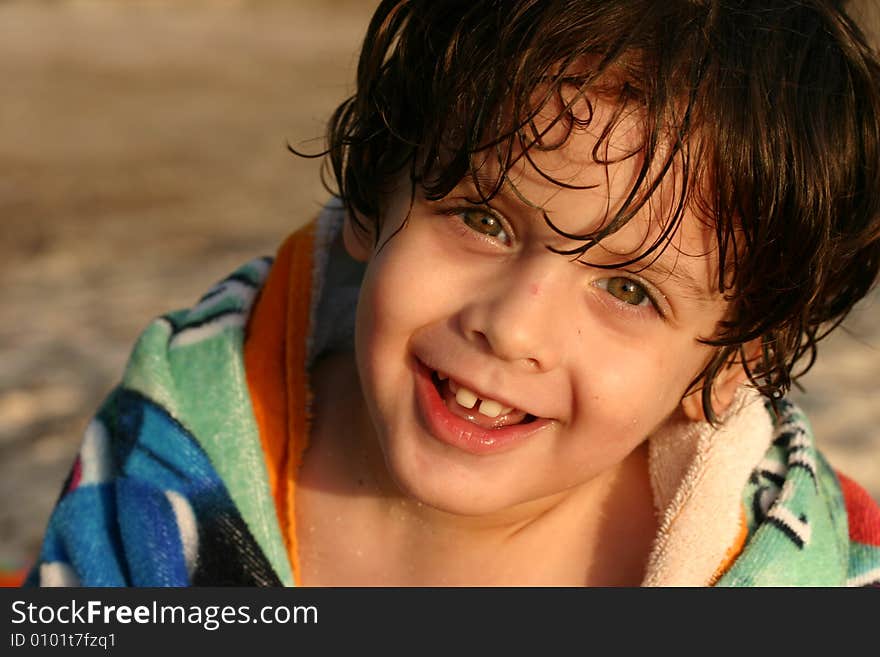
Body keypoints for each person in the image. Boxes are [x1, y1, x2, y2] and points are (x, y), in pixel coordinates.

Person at [26, 0, 880, 587]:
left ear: (730, 360)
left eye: (628, 287)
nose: (511, 327)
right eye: (483, 219)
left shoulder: (781, 571)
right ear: (375, 193)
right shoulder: (177, 458)